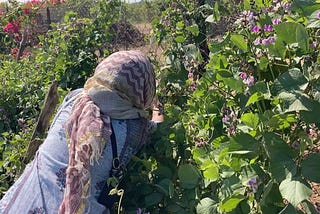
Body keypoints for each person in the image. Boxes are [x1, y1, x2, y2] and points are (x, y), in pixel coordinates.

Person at [0, 50, 164, 214]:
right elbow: (158, 127)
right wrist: (158, 107)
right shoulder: (133, 129)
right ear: (143, 89)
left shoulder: (74, 98)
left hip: (20, 201)